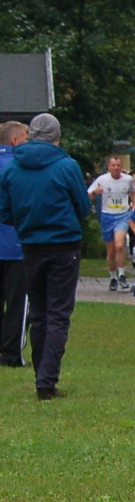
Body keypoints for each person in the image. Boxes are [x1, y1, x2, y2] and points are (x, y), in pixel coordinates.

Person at [0, 114, 91, 398]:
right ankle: (46, 380)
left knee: (38, 312)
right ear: (57, 137)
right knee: (58, 313)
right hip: (64, 245)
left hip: (30, 245)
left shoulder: (13, 168)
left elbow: (5, 210)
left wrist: (28, 223)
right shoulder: (66, 166)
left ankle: (42, 372)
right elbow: (83, 206)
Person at [88, 153, 135, 291]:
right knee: (110, 251)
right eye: (113, 165)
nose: (116, 168)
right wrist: (95, 192)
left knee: (120, 245)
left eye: (118, 166)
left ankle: (122, 274)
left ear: (121, 167)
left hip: (122, 214)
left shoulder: (127, 179)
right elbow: (88, 193)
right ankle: (113, 277)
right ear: (109, 167)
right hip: (107, 216)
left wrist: (134, 204)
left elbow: (133, 192)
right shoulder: (102, 180)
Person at [0, 121, 26, 367]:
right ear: (15, 141)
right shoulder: (19, 168)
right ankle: (11, 354)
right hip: (15, 245)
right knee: (17, 302)